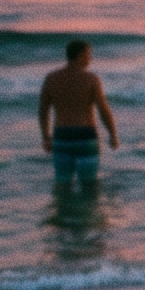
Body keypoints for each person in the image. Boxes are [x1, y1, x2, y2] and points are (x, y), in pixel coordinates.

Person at [37, 39, 116, 188]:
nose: (90, 59)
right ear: (80, 55)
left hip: (61, 136)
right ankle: (86, 212)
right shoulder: (91, 79)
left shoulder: (51, 78)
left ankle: (63, 211)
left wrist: (46, 137)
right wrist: (113, 134)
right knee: (89, 186)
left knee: (62, 184)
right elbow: (103, 110)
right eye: (88, 55)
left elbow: (43, 111)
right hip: (85, 137)